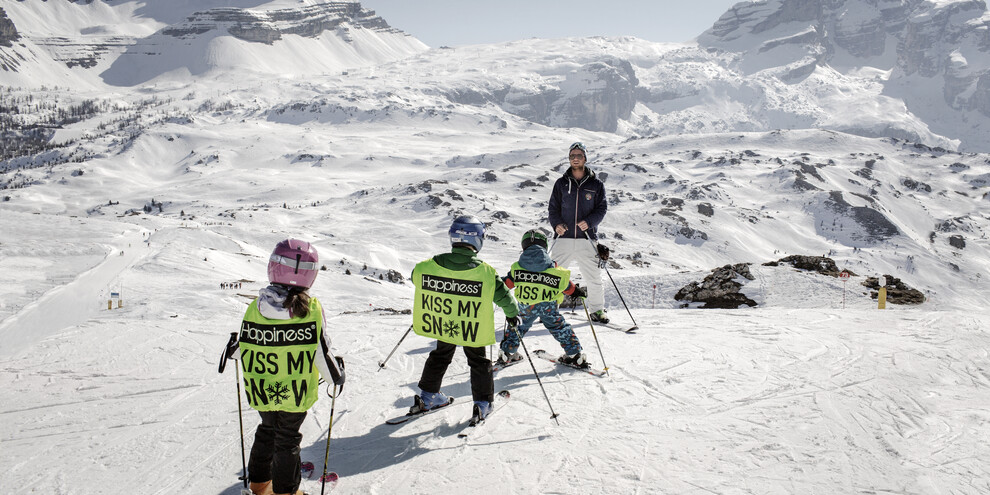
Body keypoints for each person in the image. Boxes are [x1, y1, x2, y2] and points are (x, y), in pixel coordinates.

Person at [234, 239, 345, 495]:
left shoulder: (256, 307)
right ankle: (286, 491)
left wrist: (233, 351)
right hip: (294, 392)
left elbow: (246, 343)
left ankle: (259, 484)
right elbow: (321, 351)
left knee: (267, 431)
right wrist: (335, 376)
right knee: (287, 438)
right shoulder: (311, 310)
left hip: (262, 388)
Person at [410, 215, 520, 421]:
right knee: (479, 362)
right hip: (472, 326)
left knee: (440, 355)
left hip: (444, 322)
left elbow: (416, 277)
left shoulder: (433, 263)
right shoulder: (485, 271)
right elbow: (504, 297)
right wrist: (513, 316)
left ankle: (428, 396)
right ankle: (482, 404)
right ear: (478, 240)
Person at [498, 229, 591, 368]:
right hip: (549, 307)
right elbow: (565, 284)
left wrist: (496, 285)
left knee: (518, 326)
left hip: (526, 306)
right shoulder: (553, 268)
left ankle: (508, 353)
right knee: (559, 327)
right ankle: (574, 355)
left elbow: (507, 284)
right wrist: (576, 291)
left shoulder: (517, 268)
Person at [548, 142, 610, 323]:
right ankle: (549, 311)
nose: (575, 158)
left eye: (579, 155)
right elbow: (553, 208)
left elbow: (601, 209)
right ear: (569, 159)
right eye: (572, 156)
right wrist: (557, 224)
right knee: (553, 277)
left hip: (586, 238)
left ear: (585, 158)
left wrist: (589, 223)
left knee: (594, 278)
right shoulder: (561, 183)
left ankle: (597, 311)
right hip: (563, 238)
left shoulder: (596, 184)